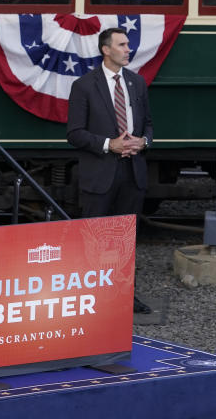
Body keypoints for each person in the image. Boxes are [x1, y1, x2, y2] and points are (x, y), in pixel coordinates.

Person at [67, 27, 153, 313]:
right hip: (100, 174)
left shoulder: (137, 83)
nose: (128, 49)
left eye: (128, 45)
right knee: (94, 238)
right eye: (123, 44)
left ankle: (124, 295)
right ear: (106, 49)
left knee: (125, 237)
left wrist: (143, 142)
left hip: (132, 172)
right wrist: (109, 145)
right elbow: (75, 133)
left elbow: (148, 125)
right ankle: (91, 298)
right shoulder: (84, 86)